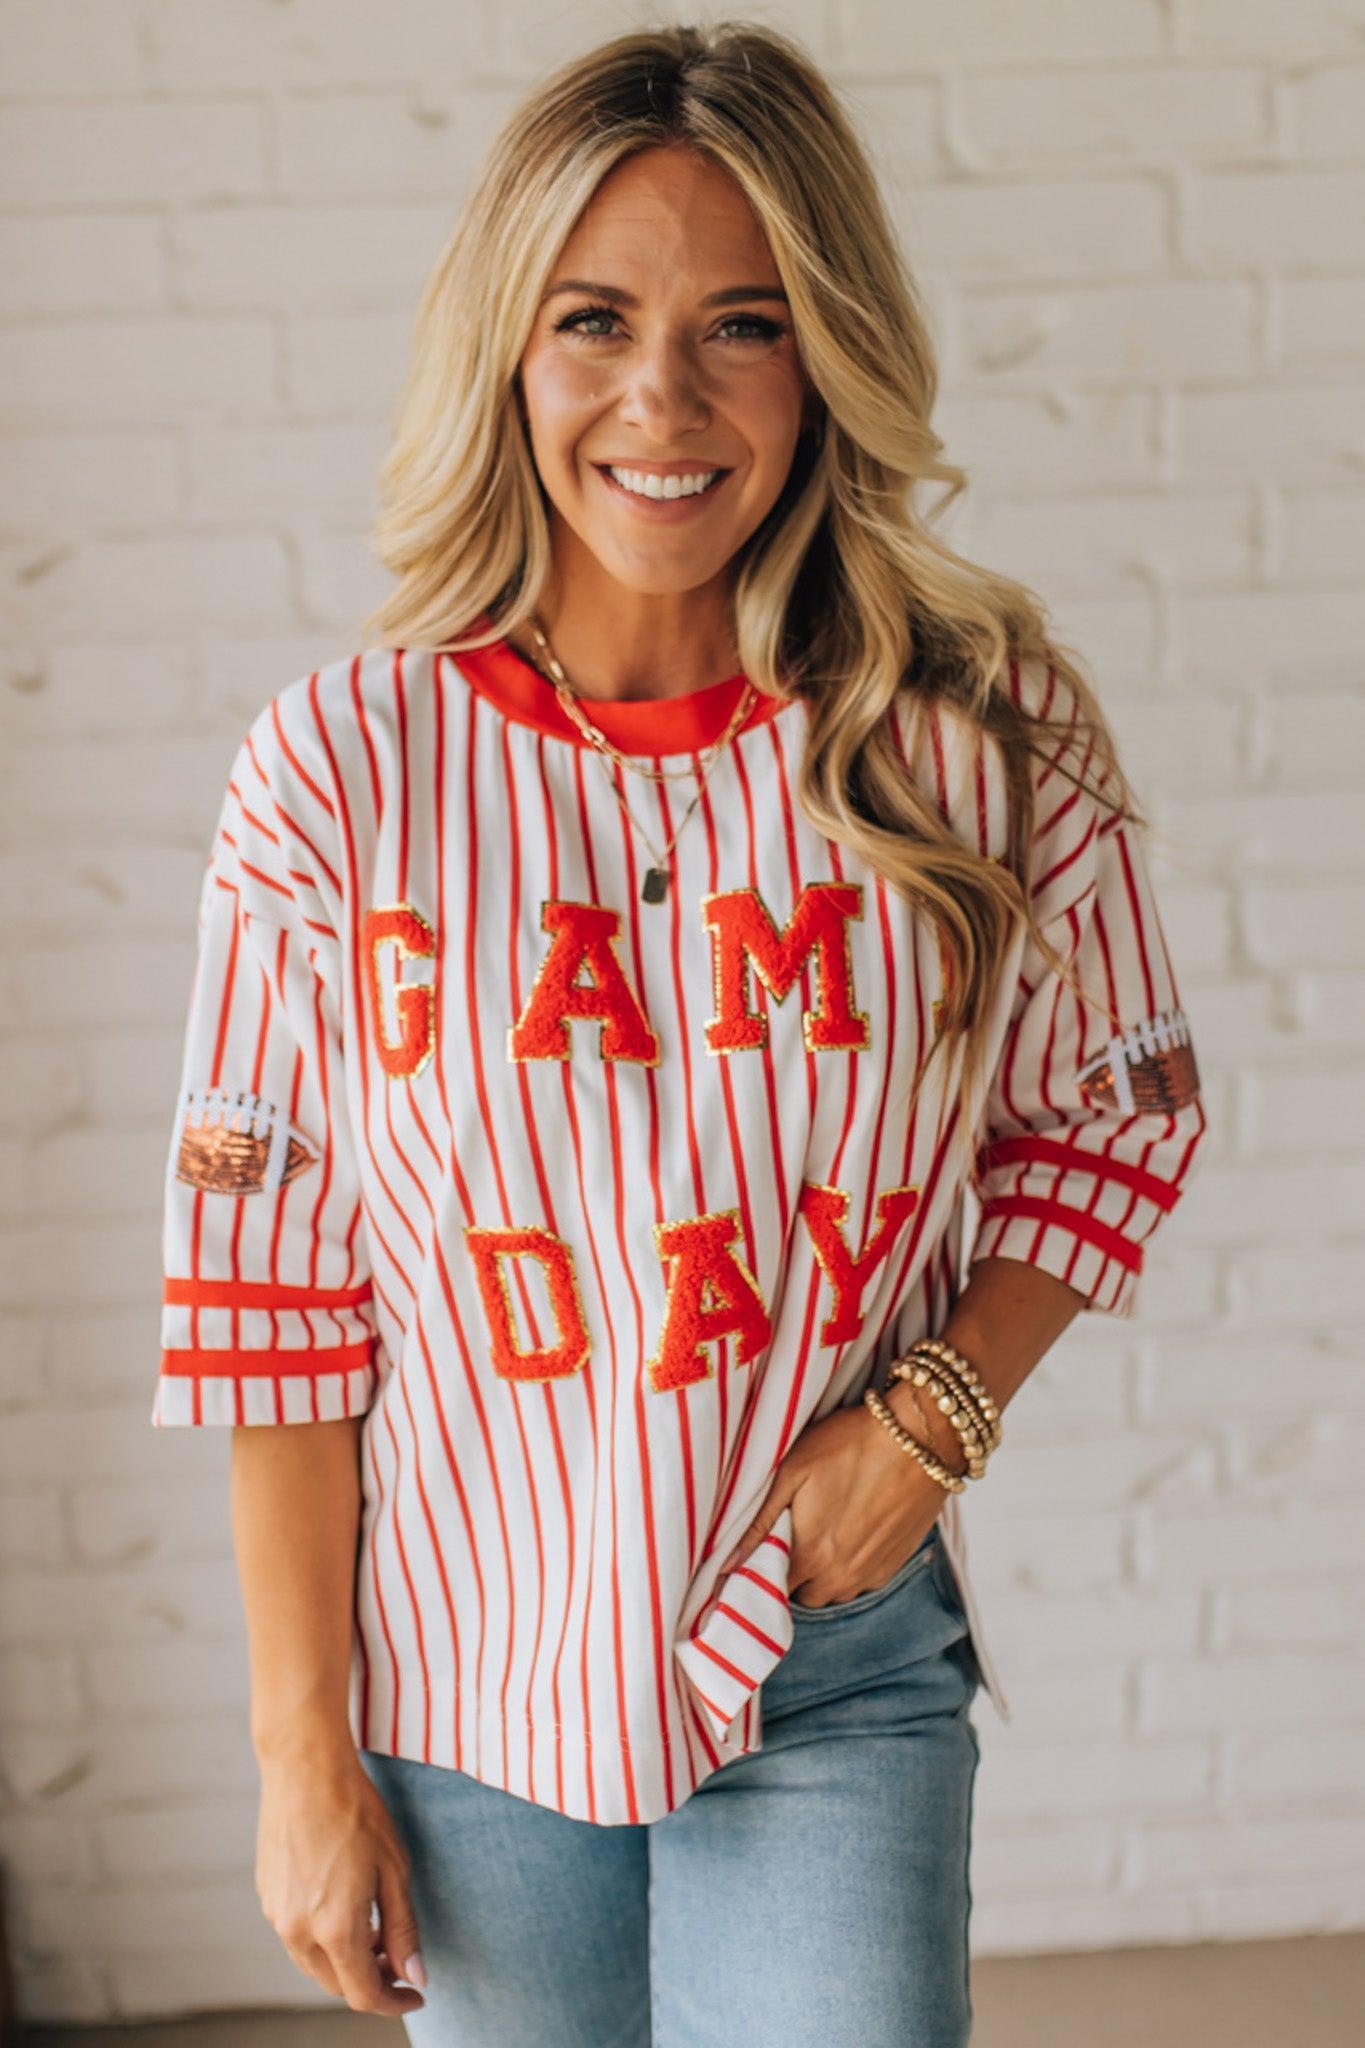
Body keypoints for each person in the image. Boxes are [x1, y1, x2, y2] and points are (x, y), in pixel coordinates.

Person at [150, 20, 1208, 2046]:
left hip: (828, 1658)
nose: (663, 399)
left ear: (827, 354)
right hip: (464, 1680)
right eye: (594, 322)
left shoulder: (973, 735)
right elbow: (267, 1283)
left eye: (743, 323)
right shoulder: (340, 774)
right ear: (507, 350)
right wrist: (299, 1752)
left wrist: (929, 1420)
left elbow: (1116, 1110)